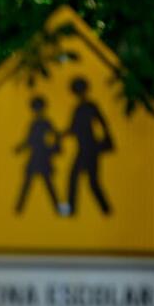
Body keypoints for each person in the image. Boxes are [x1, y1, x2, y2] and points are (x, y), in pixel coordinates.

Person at [63, 76, 114, 216]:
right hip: (84, 147)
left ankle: (105, 210)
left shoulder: (90, 106)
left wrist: (107, 139)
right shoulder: (79, 108)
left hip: (90, 148)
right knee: (84, 180)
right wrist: (61, 134)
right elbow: (73, 129)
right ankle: (102, 210)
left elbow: (102, 122)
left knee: (89, 181)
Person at [14, 96, 61, 214]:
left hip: (42, 157)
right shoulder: (34, 124)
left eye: (38, 108)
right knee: (28, 181)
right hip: (35, 157)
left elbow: (55, 136)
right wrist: (20, 148)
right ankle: (19, 209)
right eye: (35, 108)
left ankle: (59, 209)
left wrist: (54, 149)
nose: (36, 111)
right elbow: (29, 140)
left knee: (48, 183)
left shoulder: (46, 123)